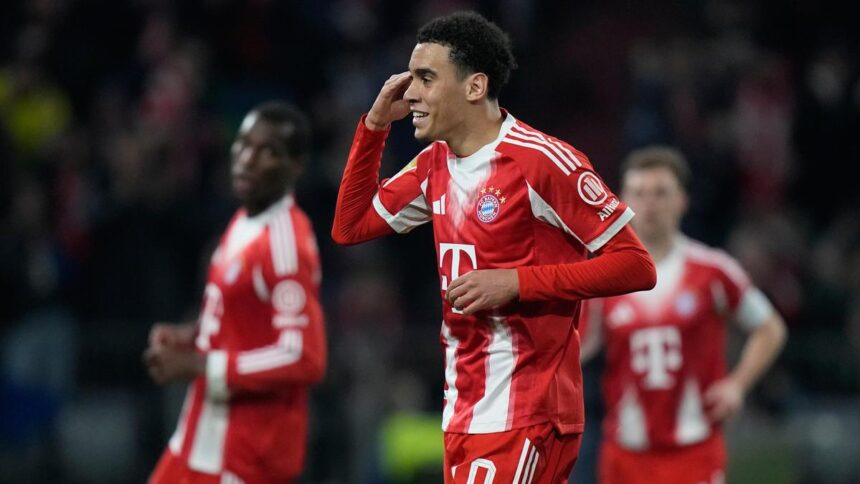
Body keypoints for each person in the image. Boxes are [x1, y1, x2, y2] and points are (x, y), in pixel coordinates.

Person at [332, 11, 656, 483]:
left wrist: (516, 282)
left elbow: (635, 265)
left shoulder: (542, 161)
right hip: (465, 408)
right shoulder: (433, 164)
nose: (411, 93)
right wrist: (374, 126)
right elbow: (350, 225)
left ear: (475, 86)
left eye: (426, 78)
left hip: (527, 408)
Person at [578, 146, 787, 484]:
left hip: (694, 450)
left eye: (661, 193)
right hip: (624, 452)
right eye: (639, 193)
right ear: (621, 202)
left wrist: (738, 385)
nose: (649, 204)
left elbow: (770, 328)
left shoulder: (713, 270)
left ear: (682, 201)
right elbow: (576, 349)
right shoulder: (603, 277)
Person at [143, 101, 327, 484]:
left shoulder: (285, 245)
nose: (247, 159)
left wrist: (199, 365)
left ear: (295, 166)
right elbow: (240, 319)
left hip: (246, 452)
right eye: (243, 144)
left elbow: (304, 355)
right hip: (200, 434)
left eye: (268, 151)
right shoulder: (244, 220)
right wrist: (190, 336)